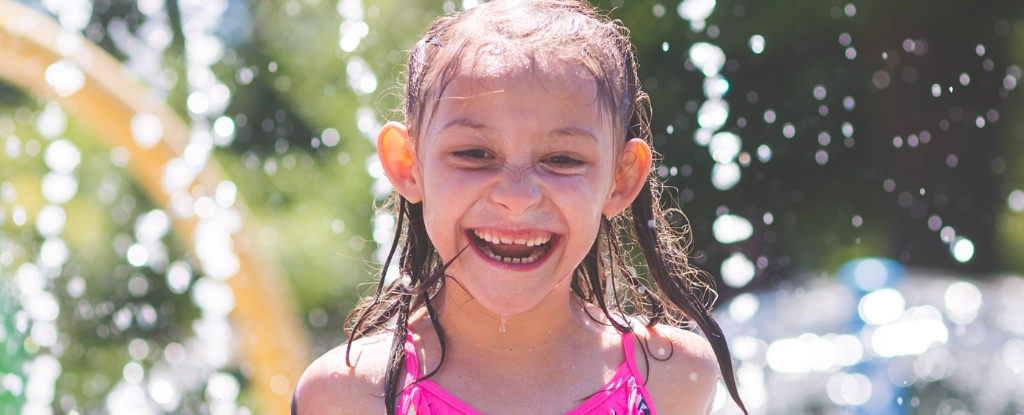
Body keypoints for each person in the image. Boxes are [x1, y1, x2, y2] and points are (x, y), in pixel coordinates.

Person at [293, 1, 747, 414]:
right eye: (474, 154)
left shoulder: (671, 377)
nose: (516, 196)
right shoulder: (350, 395)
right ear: (407, 164)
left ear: (620, 179)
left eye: (562, 159)